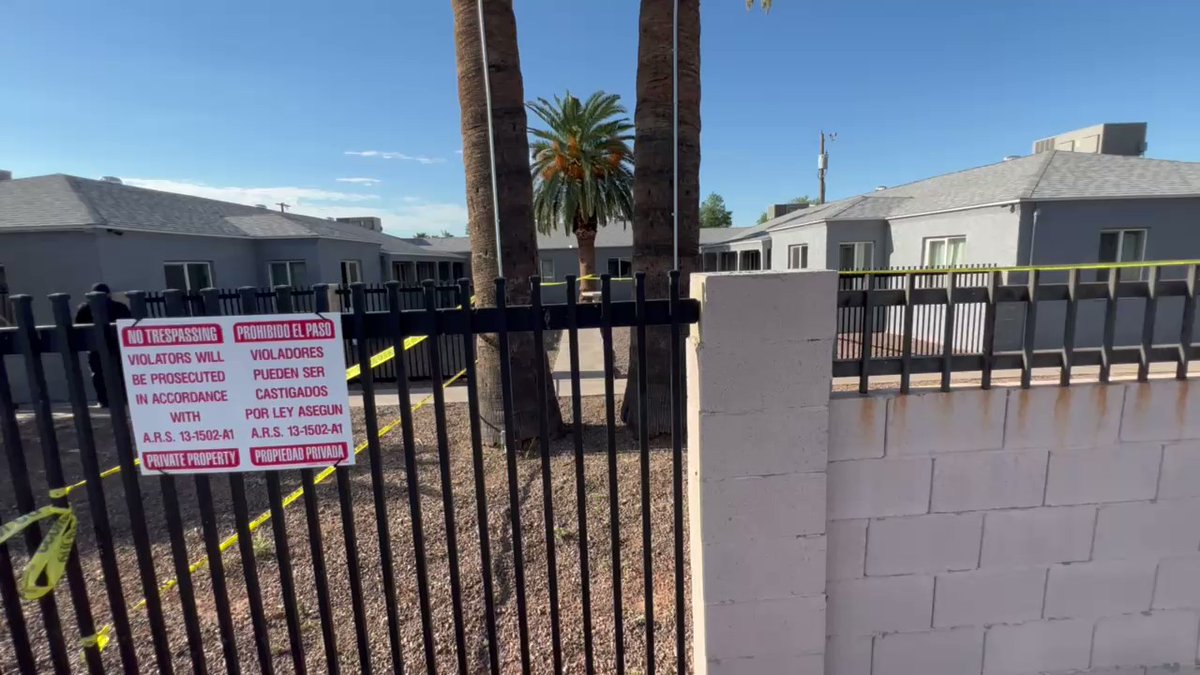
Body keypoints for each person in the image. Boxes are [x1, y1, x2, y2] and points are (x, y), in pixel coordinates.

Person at [74, 283, 132, 408]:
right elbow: (128, 324)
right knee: (120, 373)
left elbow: (79, 328)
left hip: (94, 347)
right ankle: (123, 398)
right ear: (109, 294)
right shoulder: (119, 307)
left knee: (98, 374)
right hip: (117, 346)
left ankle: (103, 400)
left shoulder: (85, 309)